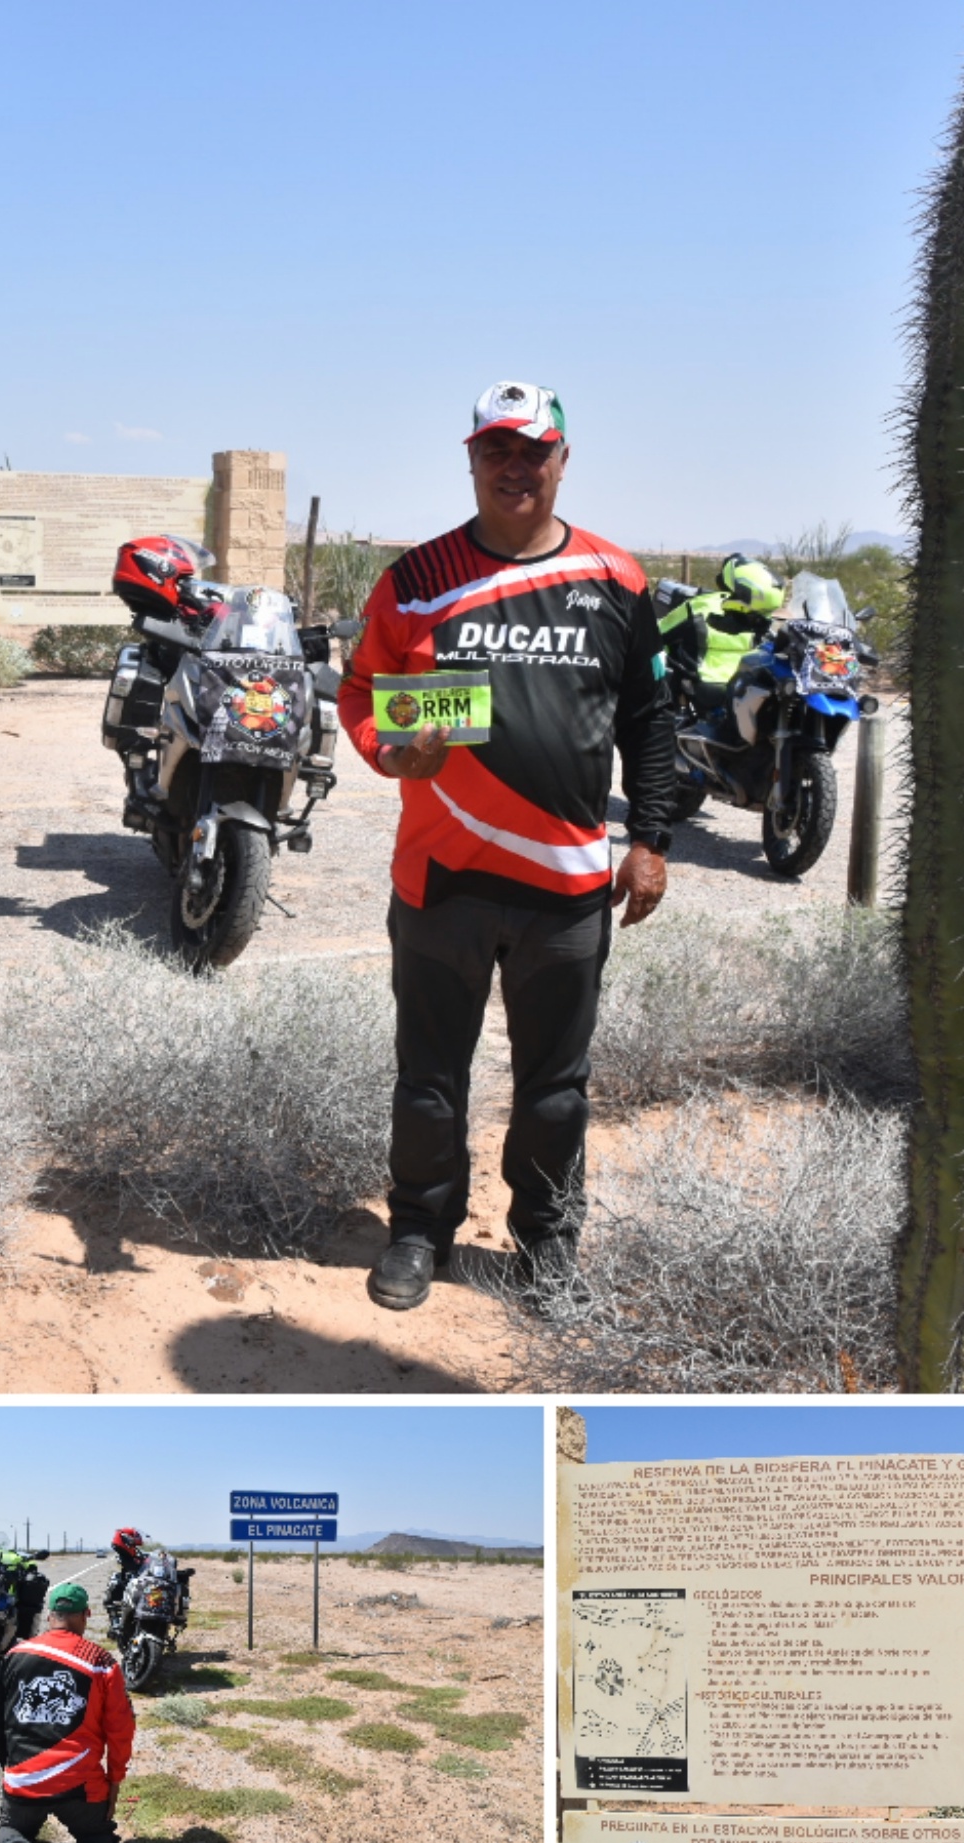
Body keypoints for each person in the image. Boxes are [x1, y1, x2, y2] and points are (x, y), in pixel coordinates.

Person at [338, 380, 676, 1313]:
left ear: (564, 460)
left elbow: (650, 721)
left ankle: (546, 1244)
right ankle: (418, 1230)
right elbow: (363, 696)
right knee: (430, 1083)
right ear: (472, 460)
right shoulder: (415, 578)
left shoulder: (617, 579)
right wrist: (393, 751)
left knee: (556, 1090)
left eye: (534, 450)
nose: (515, 467)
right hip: (441, 878)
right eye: (497, 450)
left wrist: (648, 839)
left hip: (565, 888)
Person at [0, 1581, 135, 1843]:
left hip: (23, 1781)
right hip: (80, 1786)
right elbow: (120, 1728)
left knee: (12, 1830)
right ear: (85, 1615)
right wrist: (115, 1780)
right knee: (97, 1840)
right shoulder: (101, 1662)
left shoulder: (14, 1655)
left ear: (50, 1615)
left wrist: (8, 1763)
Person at [658, 553, 785, 700]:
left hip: (716, 686)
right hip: (738, 688)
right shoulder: (762, 621)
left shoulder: (700, 607)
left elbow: (659, 633)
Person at [103, 1526, 147, 1623]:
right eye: (133, 1538)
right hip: (132, 1590)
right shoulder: (125, 1557)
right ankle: (117, 1621)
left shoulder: (131, 1555)